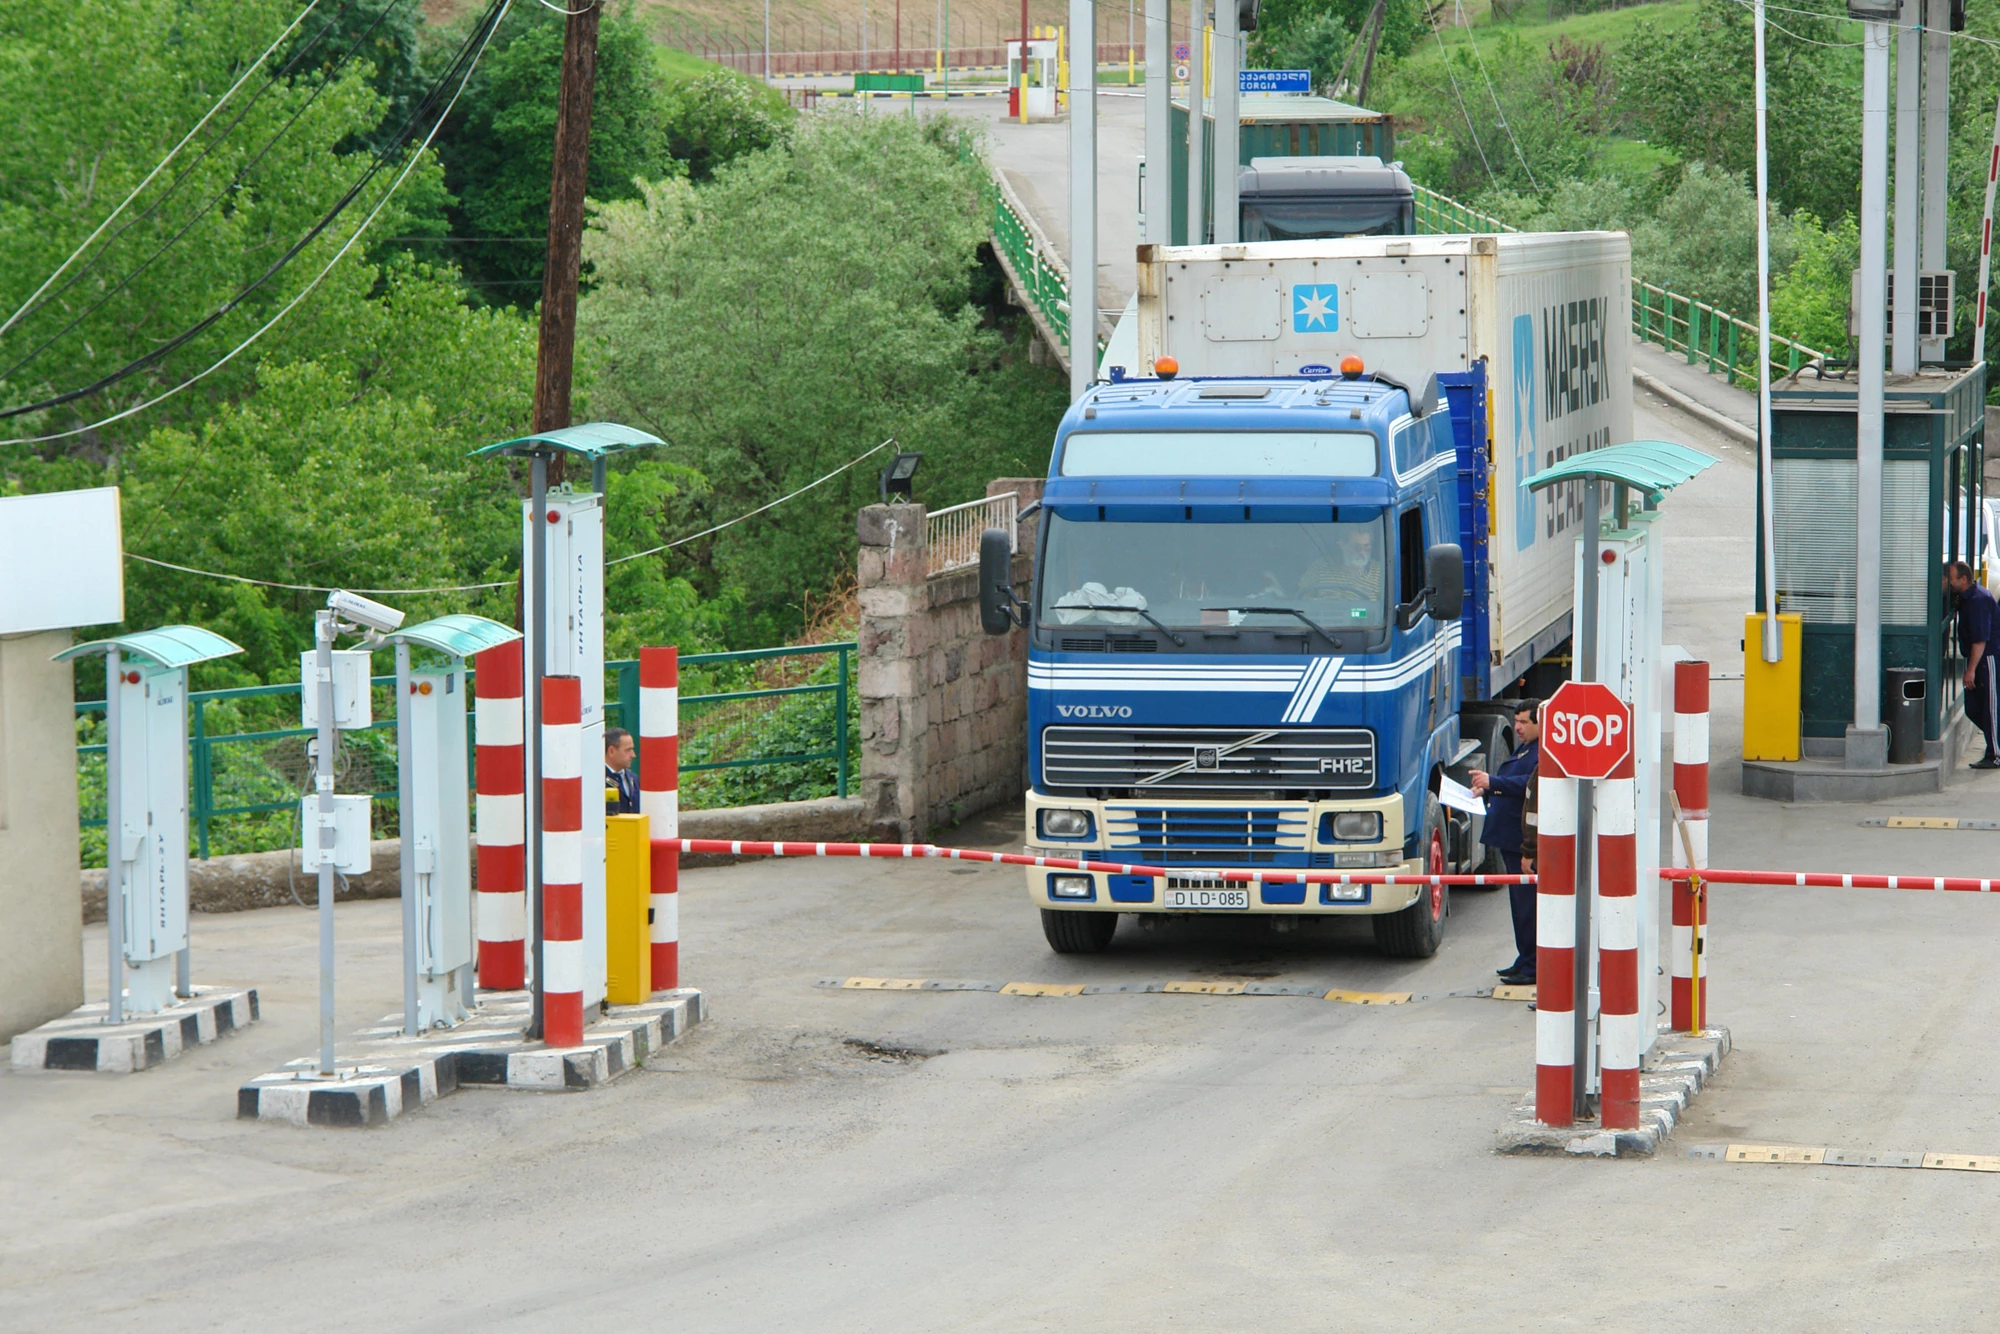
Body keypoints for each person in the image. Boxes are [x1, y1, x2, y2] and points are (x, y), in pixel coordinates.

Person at [1469, 699, 1541, 985]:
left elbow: (1529, 784)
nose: (1518, 727)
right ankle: (1524, 959)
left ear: (1540, 723)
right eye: (1517, 721)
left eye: (1524, 722)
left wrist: (1494, 783)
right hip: (1509, 838)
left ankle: (1532, 965)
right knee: (1518, 905)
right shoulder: (1525, 748)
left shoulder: (1541, 752)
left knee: (1527, 906)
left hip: (1520, 839)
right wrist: (1487, 791)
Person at [1946, 560, 2000, 769]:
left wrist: (1970, 670)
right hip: (1977, 659)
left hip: (1987, 659)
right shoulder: (1966, 599)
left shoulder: (1978, 600)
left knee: (1990, 707)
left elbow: (1980, 640)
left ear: (1963, 579)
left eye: (1951, 579)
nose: (1949, 583)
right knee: (1973, 708)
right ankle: (1994, 742)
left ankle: (1995, 754)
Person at [604, 727, 640, 814]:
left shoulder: (634, 779)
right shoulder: (597, 781)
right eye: (628, 750)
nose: (633, 755)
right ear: (611, 751)